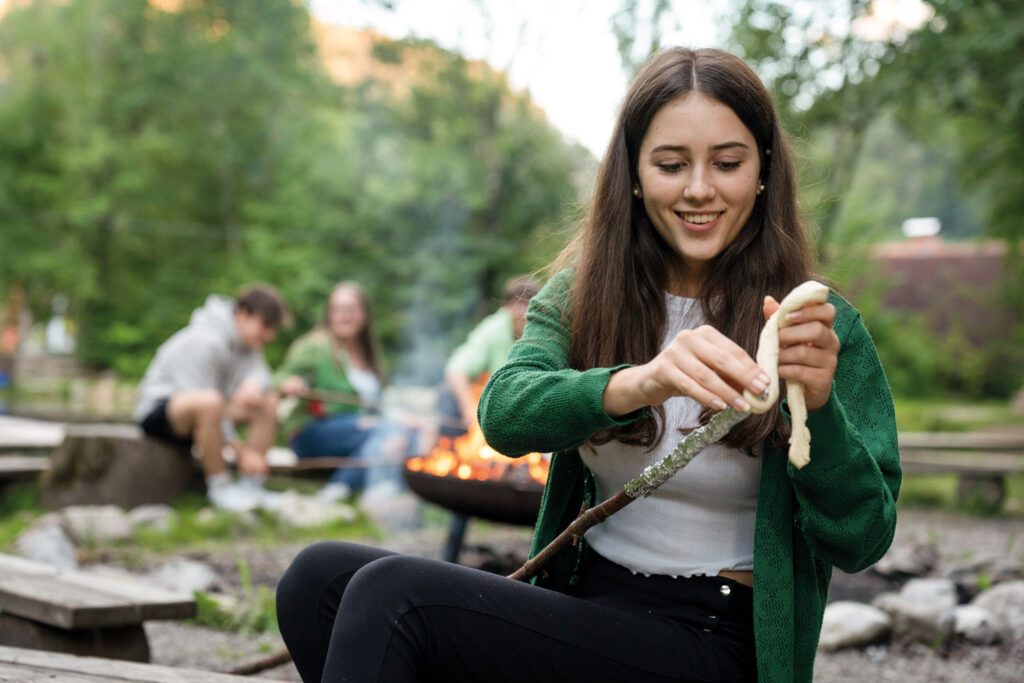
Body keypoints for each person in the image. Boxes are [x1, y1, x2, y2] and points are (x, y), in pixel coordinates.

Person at [275, 47, 901, 682]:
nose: (699, 188)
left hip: (713, 638)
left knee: (393, 595)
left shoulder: (816, 326)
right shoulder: (584, 297)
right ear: (632, 173)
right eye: (671, 164)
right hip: (587, 605)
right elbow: (505, 415)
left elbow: (862, 538)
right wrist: (642, 380)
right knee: (315, 579)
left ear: (763, 171)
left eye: (728, 163)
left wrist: (817, 409)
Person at [134, 284, 290, 512]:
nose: (270, 335)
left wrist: (253, 384)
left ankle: (252, 487)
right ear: (242, 314)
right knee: (210, 401)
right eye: (265, 325)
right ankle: (220, 488)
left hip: (208, 411)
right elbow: (205, 402)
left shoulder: (248, 345)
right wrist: (241, 451)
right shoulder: (203, 340)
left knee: (267, 402)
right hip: (160, 413)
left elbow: (261, 374)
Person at [276, 281, 410, 501]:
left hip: (361, 432)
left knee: (408, 433)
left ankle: (381, 489)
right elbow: (279, 377)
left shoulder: (369, 355)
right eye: (337, 310)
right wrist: (290, 383)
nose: (343, 316)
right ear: (329, 314)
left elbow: (378, 406)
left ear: (364, 314)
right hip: (311, 430)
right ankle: (338, 491)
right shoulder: (315, 345)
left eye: (350, 310)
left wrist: (404, 420)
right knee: (380, 431)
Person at [439, 274, 540, 437]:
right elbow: (455, 371)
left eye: (531, 303)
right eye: (519, 304)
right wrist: (469, 409)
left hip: (529, 406)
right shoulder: (492, 330)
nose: (525, 311)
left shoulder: (548, 331)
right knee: (446, 393)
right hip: (495, 408)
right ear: (506, 307)